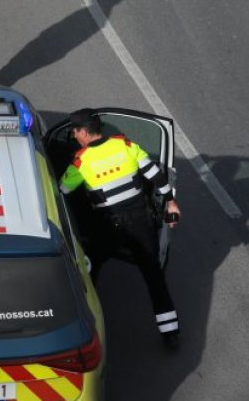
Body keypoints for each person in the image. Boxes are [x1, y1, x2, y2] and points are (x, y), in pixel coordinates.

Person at [59, 109, 184, 349]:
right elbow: (156, 175)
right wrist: (171, 201)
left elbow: (63, 190)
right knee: (154, 275)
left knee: (88, 270)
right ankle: (171, 332)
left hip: (109, 225)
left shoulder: (81, 160)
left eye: (75, 132)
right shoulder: (126, 145)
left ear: (85, 132)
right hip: (140, 221)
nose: (74, 136)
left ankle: (83, 327)